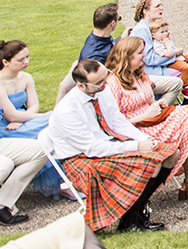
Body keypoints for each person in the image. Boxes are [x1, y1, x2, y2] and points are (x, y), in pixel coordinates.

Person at [49, 58, 179, 233]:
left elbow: (118, 122)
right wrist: (136, 146)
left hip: (107, 144)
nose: (105, 84)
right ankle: (131, 220)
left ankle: (132, 215)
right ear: (81, 85)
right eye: (99, 82)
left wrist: (144, 139)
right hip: (80, 159)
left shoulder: (101, 91)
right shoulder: (67, 111)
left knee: (171, 154)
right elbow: (93, 149)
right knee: (151, 164)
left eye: (106, 77)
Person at [102, 37, 188, 200]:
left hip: (154, 120)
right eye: (139, 53)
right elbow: (111, 124)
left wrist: (159, 104)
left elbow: (149, 100)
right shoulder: (112, 83)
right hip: (136, 129)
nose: (144, 56)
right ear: (126, 56)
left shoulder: (139, 73)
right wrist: (145, 115)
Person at [0, 41, 63, 212]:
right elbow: (10, 115)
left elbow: (33, 105)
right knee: (49, 122)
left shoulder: (26, 78)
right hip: (5, 129)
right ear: (6, 62)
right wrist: (40, 116)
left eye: (27, 57)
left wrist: (27, 118)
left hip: (21, 121)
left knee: (48, 130)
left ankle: (3, 203)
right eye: (21, 59)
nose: (26, 62)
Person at [127, 0, 188, 103]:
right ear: (145, 11)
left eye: (161, 5)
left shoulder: (150, 27)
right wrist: (174, 55)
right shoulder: (142, 29)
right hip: (151, 72)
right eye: (157, 6)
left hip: (157, 67)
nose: (161, 8)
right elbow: (149, 59)